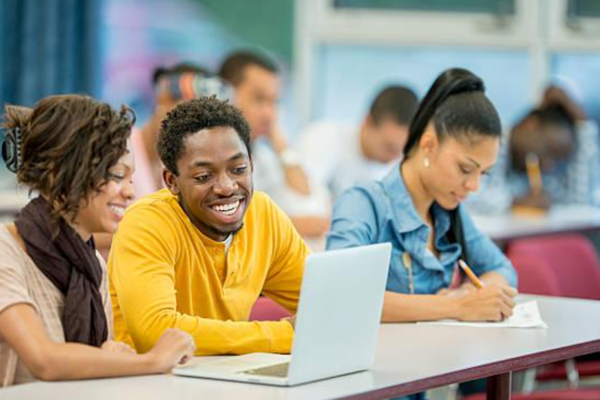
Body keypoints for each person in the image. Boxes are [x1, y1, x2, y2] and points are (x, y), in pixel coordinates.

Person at [0, 95, 195, 387]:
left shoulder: (93, 266)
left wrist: (115, 355)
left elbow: (96, 362)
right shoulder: (6, 251)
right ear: (60, 174)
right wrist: (151, 360)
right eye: (117, 175)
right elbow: (44, 359)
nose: (130, 192)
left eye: (131, 179)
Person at [108, 96, 310, 355]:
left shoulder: (263, 214)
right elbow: (156, 332)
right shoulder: (146, 223)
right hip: (150, 384)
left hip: (229, 379)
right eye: (204, 176)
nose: (227, 187)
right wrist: (281, 335)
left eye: (238, 169)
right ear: (171, 181)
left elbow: (325, 300)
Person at [327, 68, 518, 322]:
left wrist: (480, 294)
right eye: (465, 169)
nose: (474, 186)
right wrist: (456, 306)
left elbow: (501, 268)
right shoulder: (363, 203)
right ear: (429, 145)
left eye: (484, 174)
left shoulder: (448, 213)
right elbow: (342, 295)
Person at [218, 50, 330, 244]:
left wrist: (279, 143)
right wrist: (288, 225)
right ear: (225, 95)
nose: (269, 114)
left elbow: (306, 197)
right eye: (260, 99)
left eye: (274, 102)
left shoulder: (262, 155)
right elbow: (223, 226)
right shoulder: (208, 156)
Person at [467, 84, 600, 214]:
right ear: (530, 125)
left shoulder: (544, 172)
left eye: (558, 159)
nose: (549, 165)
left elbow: (580, 203)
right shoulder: (488, 140)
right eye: (551, 150)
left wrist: (583, 125)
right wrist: (515, 202)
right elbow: (470, 195)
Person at [298, 85, 418, 202]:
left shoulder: (399, 171)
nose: (395, 157)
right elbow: (300, 193)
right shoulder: (324, 138)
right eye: (389, 147)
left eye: (402, 151)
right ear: (368, 122)